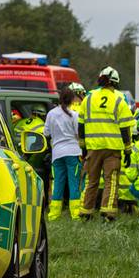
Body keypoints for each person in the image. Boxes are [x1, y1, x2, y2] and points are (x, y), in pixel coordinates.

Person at [77, 66, 134, 221]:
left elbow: (81, 125)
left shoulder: (88, 99)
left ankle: (86, 212)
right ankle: (108, 214)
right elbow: (125, 128)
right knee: (111, 181)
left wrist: (83, 148)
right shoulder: (119, 100)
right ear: (115, 83)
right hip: (112, 149)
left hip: (93, 147)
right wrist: (128, 150)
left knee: (91, 180)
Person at [42, 87, 82, 220]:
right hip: (73, 152)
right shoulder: (74, 115)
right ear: (72, 100)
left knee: (58, 184)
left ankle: (54, 214)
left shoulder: (51, 114)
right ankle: (75, 214)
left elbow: (46, 132)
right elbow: (78, 134)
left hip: (57, 153)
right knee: (74, 184)